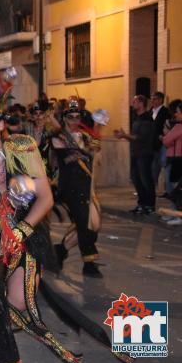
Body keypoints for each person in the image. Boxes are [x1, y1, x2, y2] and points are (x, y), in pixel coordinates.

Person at [0, 94, 88, 363]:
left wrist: (23, 229)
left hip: (26, 232)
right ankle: (8, 359)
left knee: (20, 303)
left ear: (1, 124)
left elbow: (45, 197)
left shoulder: (22, 149)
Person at [51, 100, 103, 277]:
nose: (74, 120)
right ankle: (89, 262)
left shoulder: (85, 135)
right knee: (84, 223)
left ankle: (61, 250)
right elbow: (69, 156)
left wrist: (98, 126)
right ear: (64, 118)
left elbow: (96, 149)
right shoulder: (58, 137)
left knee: (93, 224)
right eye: (70, 117)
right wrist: (86, 150)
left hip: (87, 185)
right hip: (70, 187)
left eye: (77, 117)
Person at [115, 95, 156, 214]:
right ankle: (141, 204)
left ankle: (150, 205)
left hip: (144, 154)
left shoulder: (147, 119)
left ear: (141, 103)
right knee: (136, 179)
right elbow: (134, 138)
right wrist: (123, 136)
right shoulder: (137, 118)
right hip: (135, 153)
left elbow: (141, 138)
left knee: (145, 180)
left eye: (134, 101)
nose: (132, 103)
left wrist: (124, 135)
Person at [162, 99, 182, 225]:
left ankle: (178, 215)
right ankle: (175, 213)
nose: (176, 114)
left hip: (177, 159)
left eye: (178, 112)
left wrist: (166, 134)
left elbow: (166, 140)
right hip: (177, 158)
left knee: (174, 188)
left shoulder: (179, 126)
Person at [150, 91, 171, 193]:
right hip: (151, 144)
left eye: (154, 99)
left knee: (160, 165)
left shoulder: (165, 112)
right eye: (151, 99)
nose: (152, 101)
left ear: (160, 100)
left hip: (161, 144)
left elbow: (168, 127)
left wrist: (163, 136)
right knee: (152, 167)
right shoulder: (150, 111)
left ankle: (164, 189)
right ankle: (151, 188)